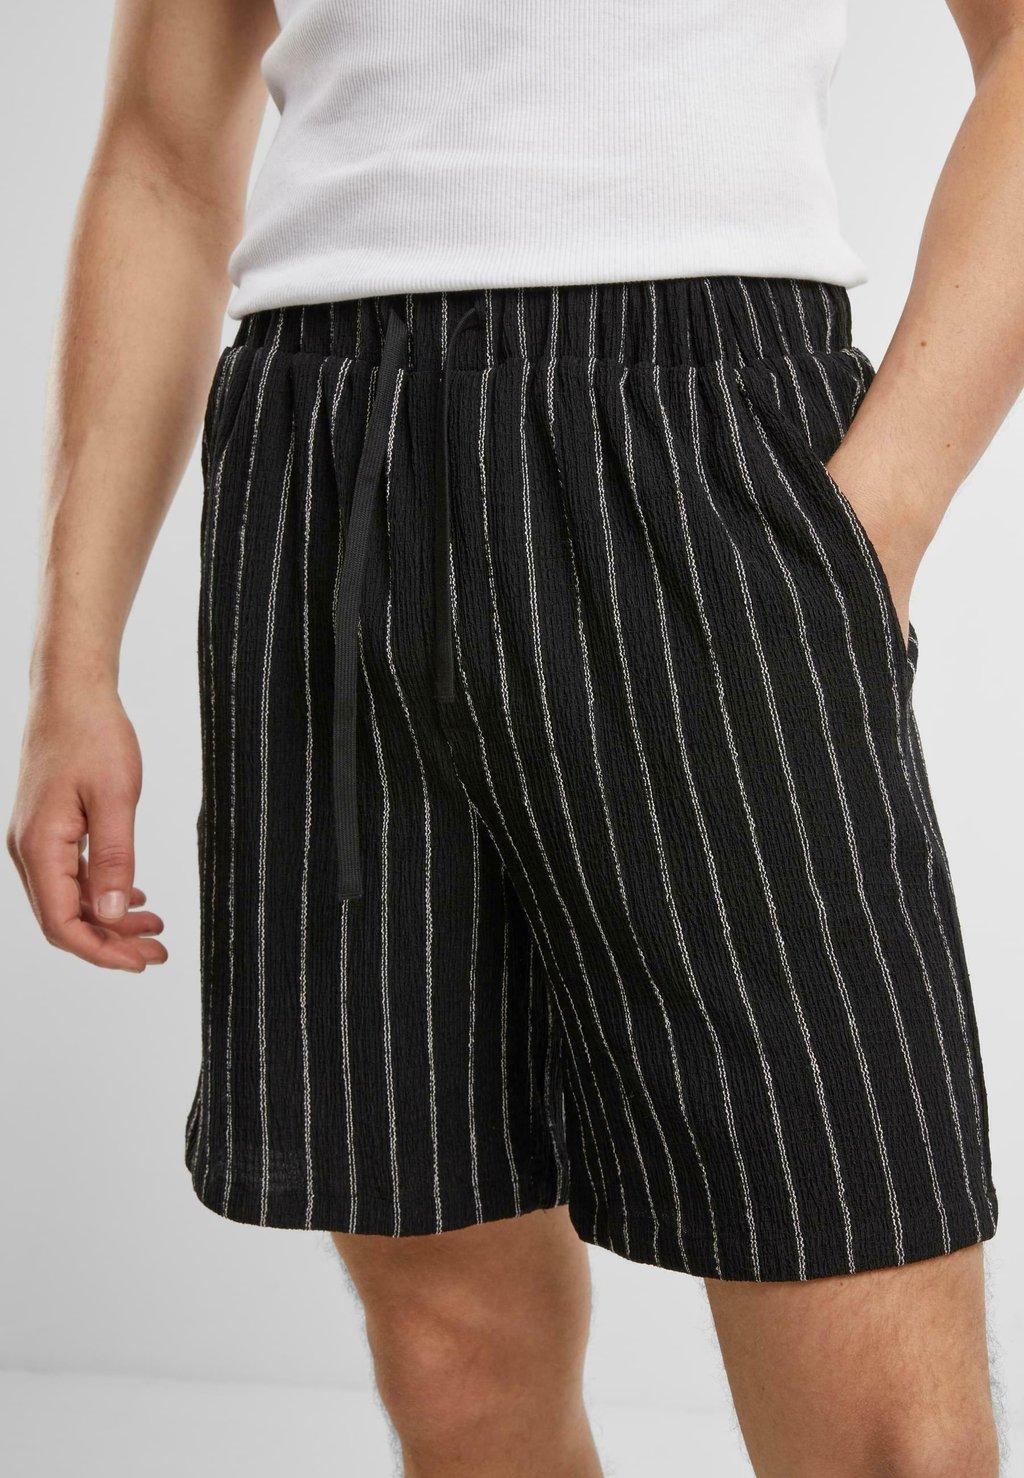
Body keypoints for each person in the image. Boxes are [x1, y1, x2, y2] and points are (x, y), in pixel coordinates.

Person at [8, 0, 1019, 1471]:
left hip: (698, 442)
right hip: (326, 461)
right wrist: (71, 660)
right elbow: (163, 155)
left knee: (877, 1395)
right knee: (448, 1338)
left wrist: (877, 521)